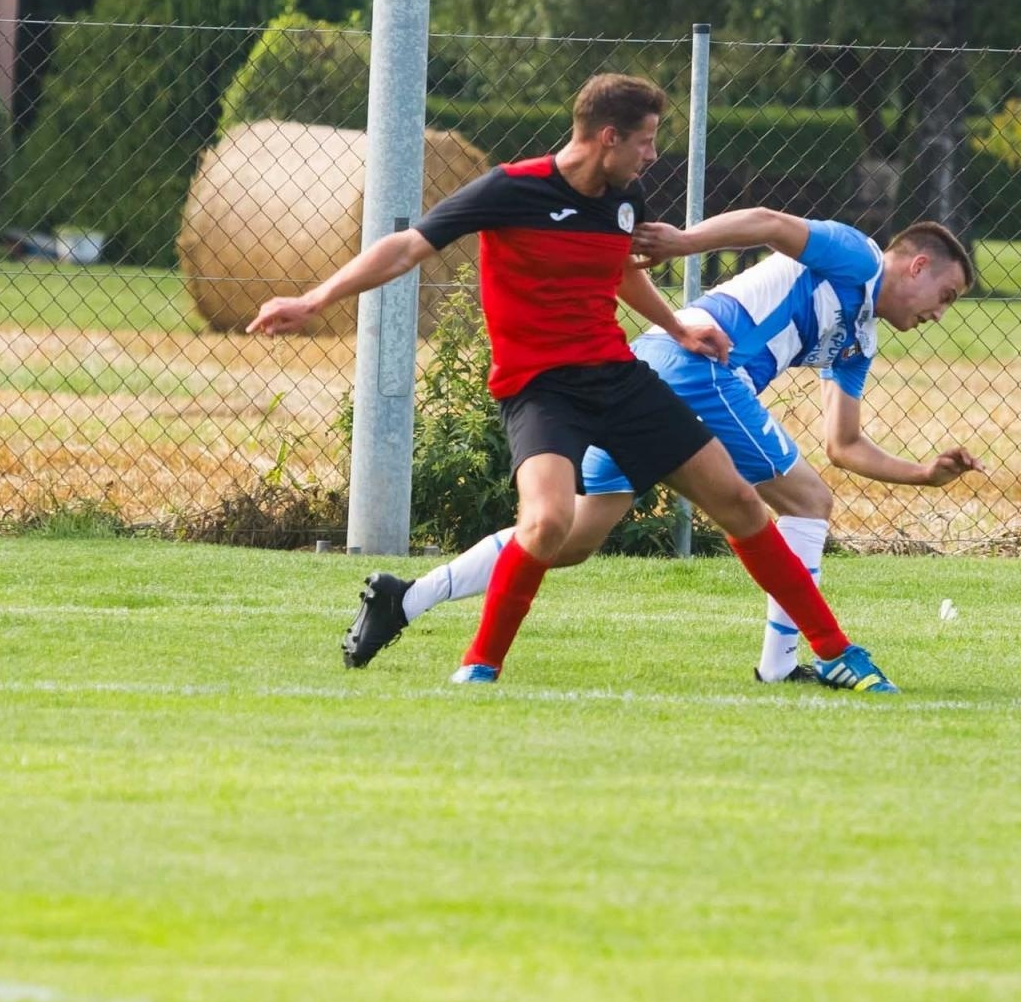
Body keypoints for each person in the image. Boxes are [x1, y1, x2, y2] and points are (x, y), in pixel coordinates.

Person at [247, 74, 899, 693]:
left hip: (619, 378)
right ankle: (479, 667)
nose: (652, 154)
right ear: (607, 137)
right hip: (539, 390)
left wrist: (677, 327)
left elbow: (620, 271)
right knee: (550, 522)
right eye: (645, 140)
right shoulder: (509, 189)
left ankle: (836, 651)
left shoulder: (623, 202)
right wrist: (314, 298)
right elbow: (407, 247)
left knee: (740, 502)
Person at [354, 209, 983, 683]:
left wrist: (923, 474)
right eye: (946, 297)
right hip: (699, 365)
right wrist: (682, 242)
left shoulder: (860, 338)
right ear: (916, 266)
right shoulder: (860, 257)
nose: (940, 314)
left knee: (571, 537)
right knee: (807, 501)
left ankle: (406, 598)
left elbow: (843, 444)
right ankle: (785, 664)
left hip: (656, 367)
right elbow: (768, 223)